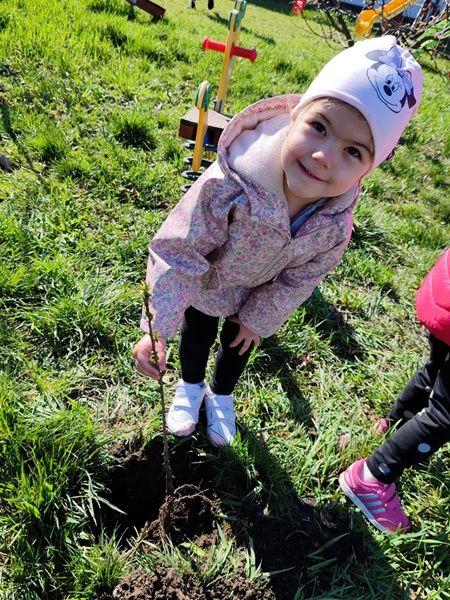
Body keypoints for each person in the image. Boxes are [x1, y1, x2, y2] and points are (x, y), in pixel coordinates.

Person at [133, 36, 422, 448]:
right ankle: (191, 384)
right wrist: (158, 326)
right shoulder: (231, 184)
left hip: (258, 294)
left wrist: (259, 316)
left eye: (353, 151)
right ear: (297, 112)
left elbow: (301, 278)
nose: (324, 156)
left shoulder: (333, 225)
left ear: (369, 169)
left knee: (239, 345)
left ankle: (220, 394)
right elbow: (179, 249)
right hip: (207, 281)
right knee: (196, 334)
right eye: (319, 128)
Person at [340, 248, 450, 534]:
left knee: (438, 367)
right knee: (446, 414)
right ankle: (373, 475)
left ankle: (395, 425)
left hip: (445, 291)